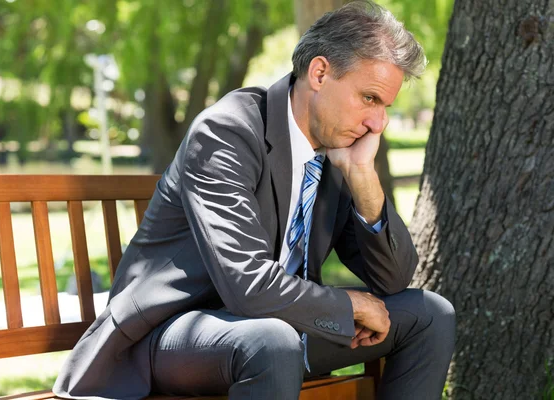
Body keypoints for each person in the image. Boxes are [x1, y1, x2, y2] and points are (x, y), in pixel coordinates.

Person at [53, 1, 455, 399]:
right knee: (272, 340)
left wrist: (363, 175)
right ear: (319, 72)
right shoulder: (228, 132)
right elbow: (246, 284)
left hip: (274, 326)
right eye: (370, 98)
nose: (378, 123)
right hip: (171, 334)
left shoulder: (337, 150)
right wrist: (345, 306)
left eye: (385, 107)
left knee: (430, 315)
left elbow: (394, 278)